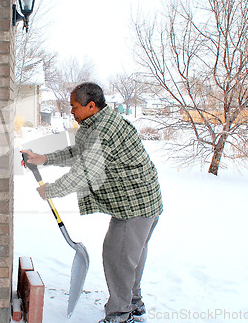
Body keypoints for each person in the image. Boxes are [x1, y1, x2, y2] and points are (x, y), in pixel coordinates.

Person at [23, 82, 163, 323]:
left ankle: (120, 315)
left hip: (135, 205)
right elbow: (79, 153)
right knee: (130, 257)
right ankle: (134, 306)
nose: (71, 112)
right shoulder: (94, 123)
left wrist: (51, 190)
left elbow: (85, 172)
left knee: (118, 258)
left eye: (75, 107)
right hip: (141, 201)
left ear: (91, 105)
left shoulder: (104, 130)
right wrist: (44, 158)